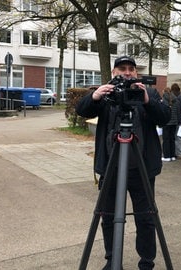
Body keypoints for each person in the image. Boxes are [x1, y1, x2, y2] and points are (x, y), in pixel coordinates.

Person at [76, 56, 170, 270]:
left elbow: (165, 117)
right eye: (122, 69)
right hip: (111, 168)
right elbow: (82, 110)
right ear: (113, 71)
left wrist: (146, 99)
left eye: (131, 69)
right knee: (107, 217)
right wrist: (95, 96)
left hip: (142, 169)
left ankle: (147, 263)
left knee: (146, 219)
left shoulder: (150, 92)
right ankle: (111, 260)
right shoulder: (107, 93)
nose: (127, 73)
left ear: (136, 72)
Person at [161, 86, 179, 162]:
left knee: (166, 140)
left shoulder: (164, 100)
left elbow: (163, 111)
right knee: (172, 139)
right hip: (174, 122)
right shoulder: (176, 100)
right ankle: (172, 156)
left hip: (166, 122)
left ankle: (166, 156)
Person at [171, 83, 181, 159]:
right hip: (180, 120)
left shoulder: (176, 98)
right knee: (179, 137)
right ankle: (180, 153)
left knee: (178, 138)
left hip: (177, 120)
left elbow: (178, 110)